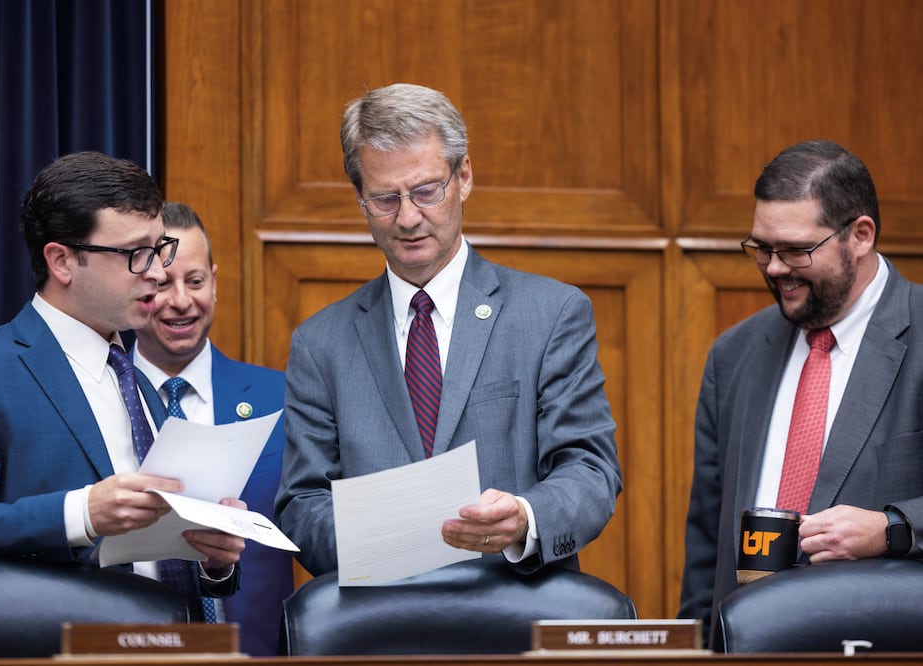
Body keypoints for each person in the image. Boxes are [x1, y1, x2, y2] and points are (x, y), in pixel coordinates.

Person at [274, 83, 622, 577]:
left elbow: (590, 470)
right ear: (360, 200)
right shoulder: (320, 344)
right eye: (385, 199)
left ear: (464, 177)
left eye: (426, 191)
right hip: (381, 617)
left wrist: (525, 519)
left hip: (512, 609)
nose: (408, 218)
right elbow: (301, 506)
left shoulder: (550, 314)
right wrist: (396, 540)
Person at [0, 151, 244, 621]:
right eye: (135, 254)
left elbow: (156, 558)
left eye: (159, 248)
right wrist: (82, 514)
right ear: (62, 261)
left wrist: (212, 562)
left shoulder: (137, 379)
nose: (158, 272)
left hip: (176, 642)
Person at [678, 139, 923, 646]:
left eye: (795, 250)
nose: (774, 267)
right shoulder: (734, 354)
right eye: (761, 249)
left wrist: (893, 528)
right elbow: (707, 538)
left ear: (860, 235)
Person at [131, 201, 291, 655]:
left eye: (196, 281)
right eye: (163, 283)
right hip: (132, 650)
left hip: (255, 653)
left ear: (215, 284)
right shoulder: (100, 397)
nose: (182, 300)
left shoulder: (280, 398)